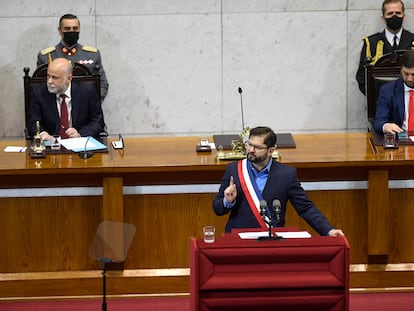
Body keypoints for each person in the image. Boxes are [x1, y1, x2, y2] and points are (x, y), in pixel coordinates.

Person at [212, 126, 344, 237]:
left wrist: (328, 230)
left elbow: (305, 207)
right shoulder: (234, 169)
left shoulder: (286, 174)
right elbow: (217, 208)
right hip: (238, 239)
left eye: (257, 147)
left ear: (270, 151)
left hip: (271, 240)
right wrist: (227, 201)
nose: (251, 150)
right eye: (249, 145)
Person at [28, 58, 105, 140]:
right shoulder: (39, 93)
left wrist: (80, 134)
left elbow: (98, 121)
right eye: (48, 76)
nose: (49, 81)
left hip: (79, 145)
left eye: (55, 78)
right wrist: (43, 134)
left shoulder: (87, 92)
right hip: (51, 145)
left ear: (68, 78)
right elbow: (33, 122)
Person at [37, 13, 109, 101]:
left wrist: (93, 104)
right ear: (59, 30)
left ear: (79, 29)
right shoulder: (45, 56)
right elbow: (38, 86)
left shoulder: (93, 55)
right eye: (67, 29)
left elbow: (102, 84)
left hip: (85, 107)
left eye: (75, 28)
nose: (71, 31)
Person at [356, 0, 414, 95]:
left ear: (404, 16)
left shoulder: (412, 40)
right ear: (383, 18)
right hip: (380, 103)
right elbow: (362, 77)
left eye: (398, 13)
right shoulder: (371, 43)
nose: (394, 16)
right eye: (390, 13)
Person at [373, 49, 414, 134]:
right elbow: (379, 121)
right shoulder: (387, 90)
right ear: (400, 70)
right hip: (400, 139)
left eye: (413, 75)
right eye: (405, 73)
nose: (409, 79)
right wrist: (386, 126)